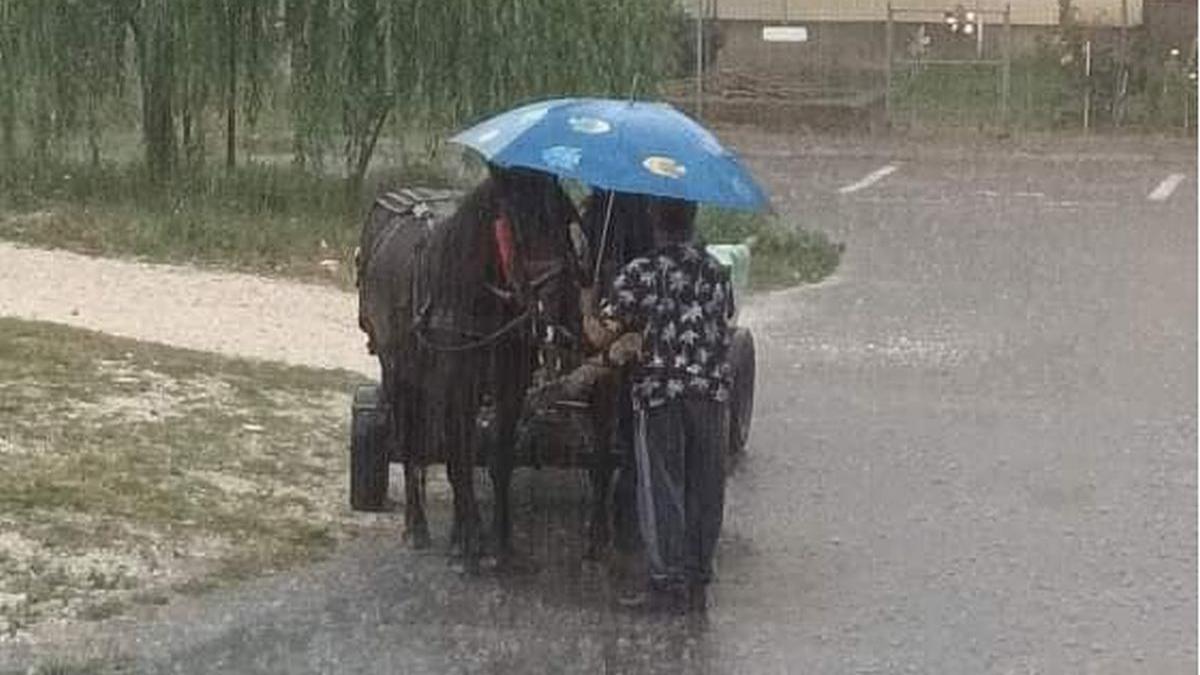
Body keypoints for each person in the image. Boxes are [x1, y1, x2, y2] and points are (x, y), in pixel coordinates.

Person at [583, 196, 734, 613]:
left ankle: (667, 583)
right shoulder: (718, 272)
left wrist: (586, 300)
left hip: (661, 394)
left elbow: (599, 336)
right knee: (705, 488)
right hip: (710, 394)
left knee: (663, 488)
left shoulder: (641, 273)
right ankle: (699, 578)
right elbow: (724, 322)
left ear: (653, 220)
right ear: (693, 219)